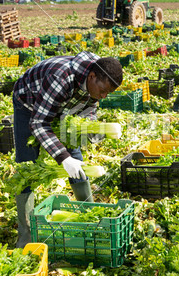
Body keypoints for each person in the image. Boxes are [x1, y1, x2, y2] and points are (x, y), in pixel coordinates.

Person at [12, 51, 123, 248]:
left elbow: (87, 112)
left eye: (109, 93)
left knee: (75, 157)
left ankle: (89, 216)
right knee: (27, 166)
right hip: (29, 104)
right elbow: (39, 123)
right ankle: (25, 234)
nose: (104, 96)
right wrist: (62, 158)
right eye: (103, 90)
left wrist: (90, 128)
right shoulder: (61, 77)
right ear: (92, 77)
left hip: (63, 108)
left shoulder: (97, 79)